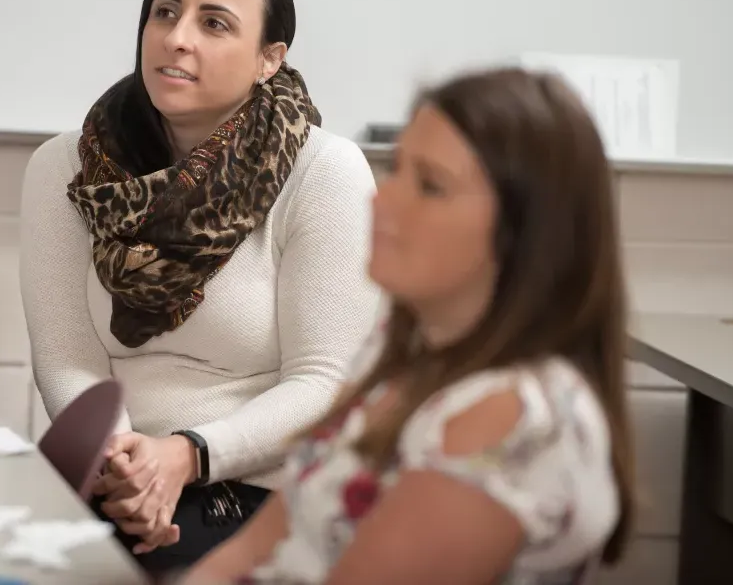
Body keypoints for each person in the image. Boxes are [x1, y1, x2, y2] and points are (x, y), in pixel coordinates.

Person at [19, 0, 381, 574]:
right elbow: (66, 360)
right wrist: (129, 468)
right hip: (115, 479)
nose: (177, 37)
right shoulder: (66, 170)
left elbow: (326, 384)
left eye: (215, 24)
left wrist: (184, 457)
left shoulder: (325, 173)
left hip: (255, 494)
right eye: (166, 11)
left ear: (269, 58)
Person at [182, 67, 636, 584]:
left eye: (431, 185)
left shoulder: (514, 417)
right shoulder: (402, 349)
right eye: (398, 169)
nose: (383, 199)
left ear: (525, 232)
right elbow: (261, 543)